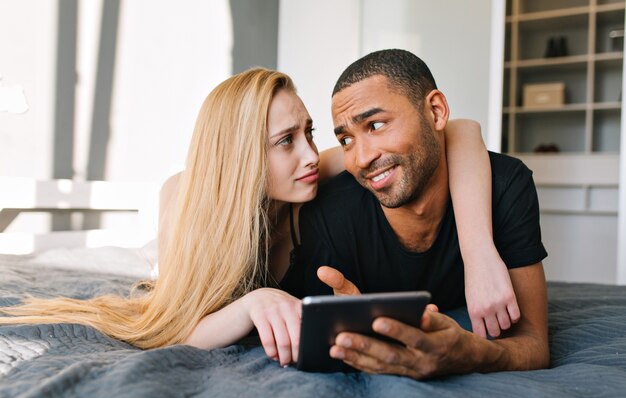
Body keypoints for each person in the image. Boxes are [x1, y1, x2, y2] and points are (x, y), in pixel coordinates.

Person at [0, 67, 511, 368]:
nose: (312, 154)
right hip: (173, 272)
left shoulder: (308, 176)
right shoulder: (184, 198)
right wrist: (256, 301)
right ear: (242, 153)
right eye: (286, 141)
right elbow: (181, 326)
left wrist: (479, 252)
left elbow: (459, 131)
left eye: (309, 133)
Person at [280, 49, 550, 378]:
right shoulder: (329, 211)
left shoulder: (505, 185)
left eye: (376, 125)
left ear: (436, 112)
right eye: (347, 140)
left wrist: (472, 353)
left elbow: (534, 343)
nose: (361, 159)